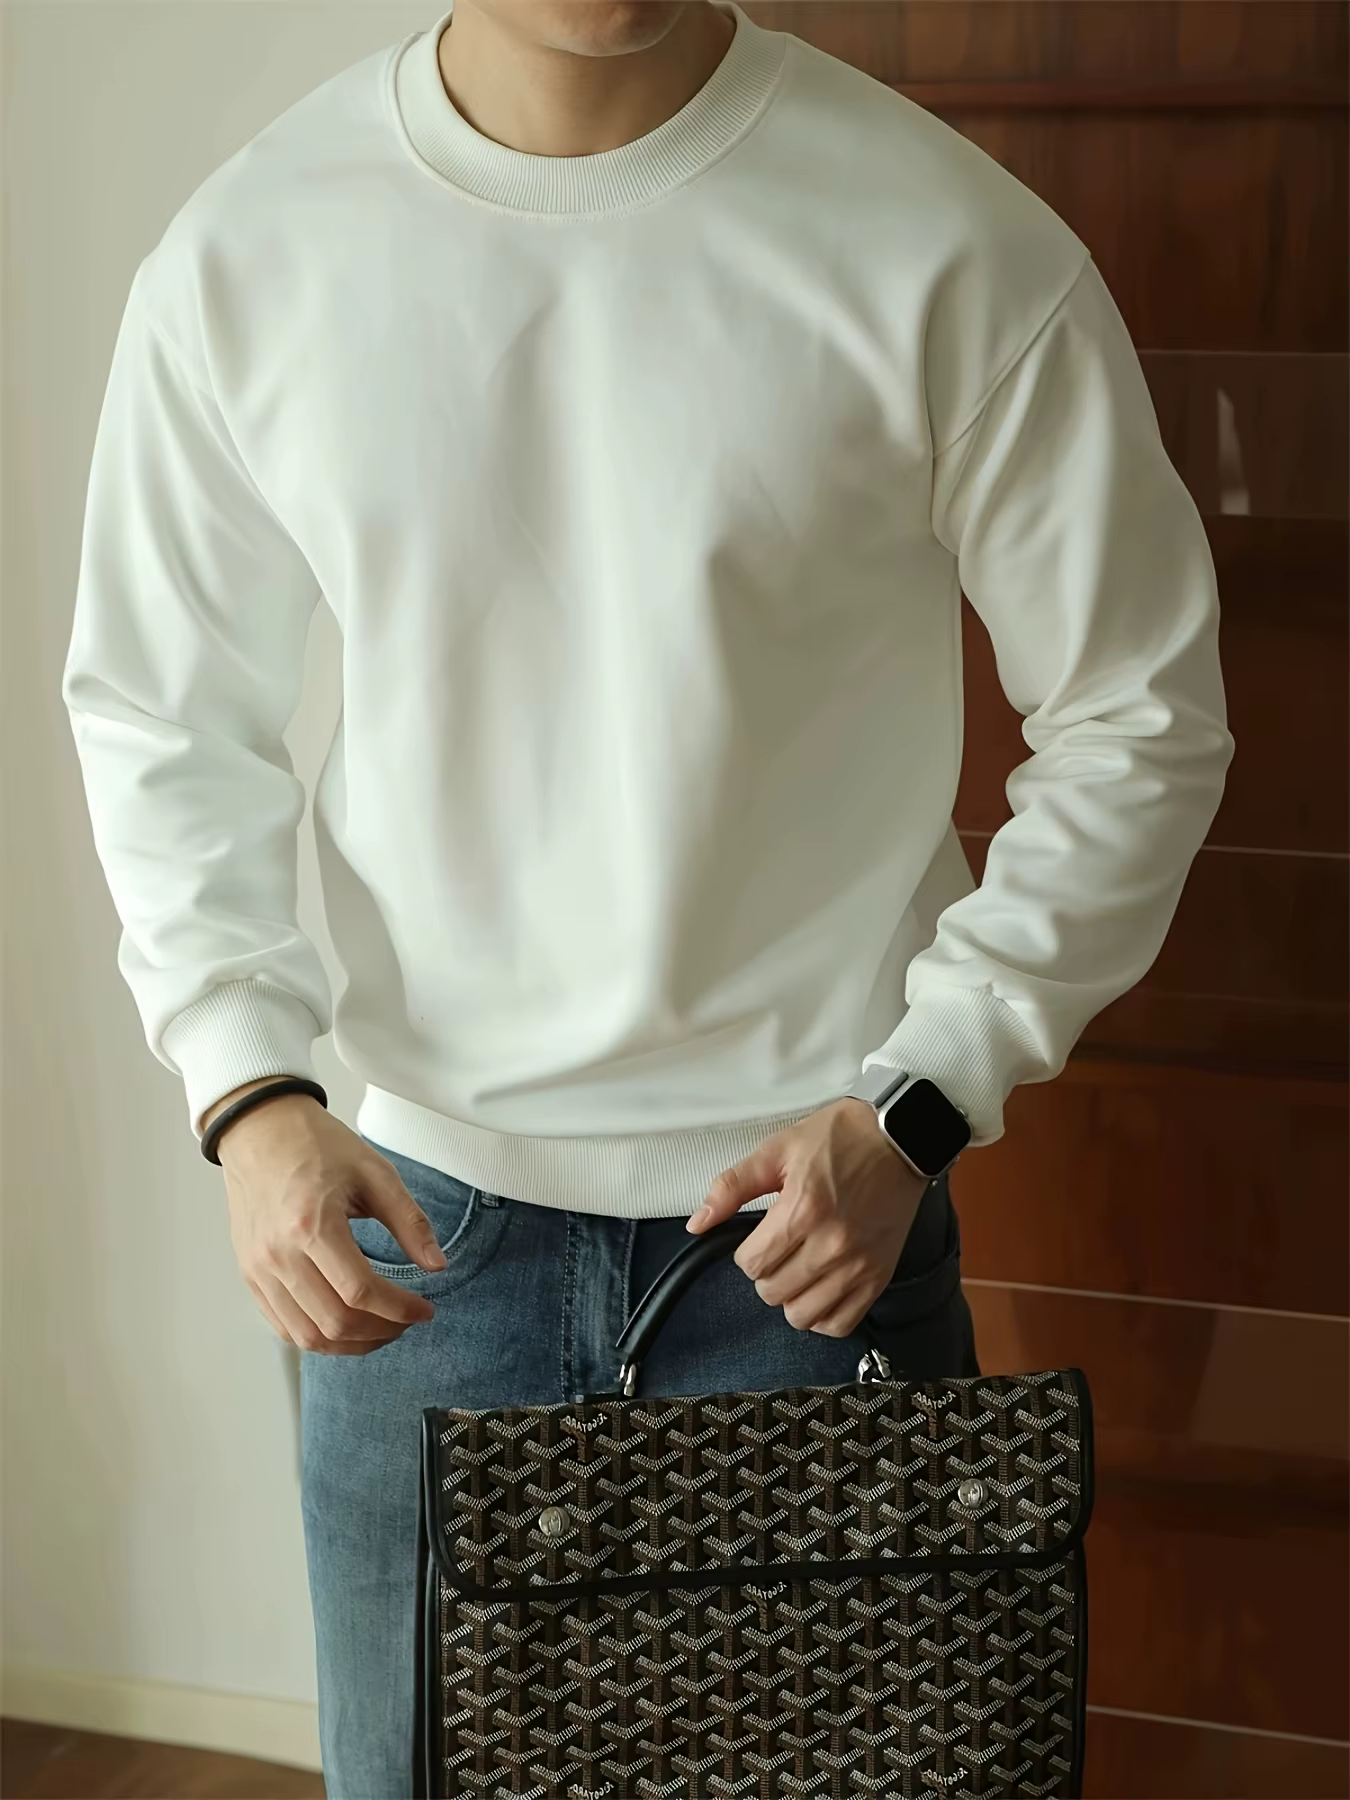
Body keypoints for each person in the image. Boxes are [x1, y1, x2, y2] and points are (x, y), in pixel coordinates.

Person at [61, 0, 1234, 1792]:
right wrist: (248, 1091)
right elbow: (160, 712)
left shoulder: (942, 238)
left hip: (815, 1238)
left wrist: (922, 1099)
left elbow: (1138, 713)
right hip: (415, 1250)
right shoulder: (252, 251)